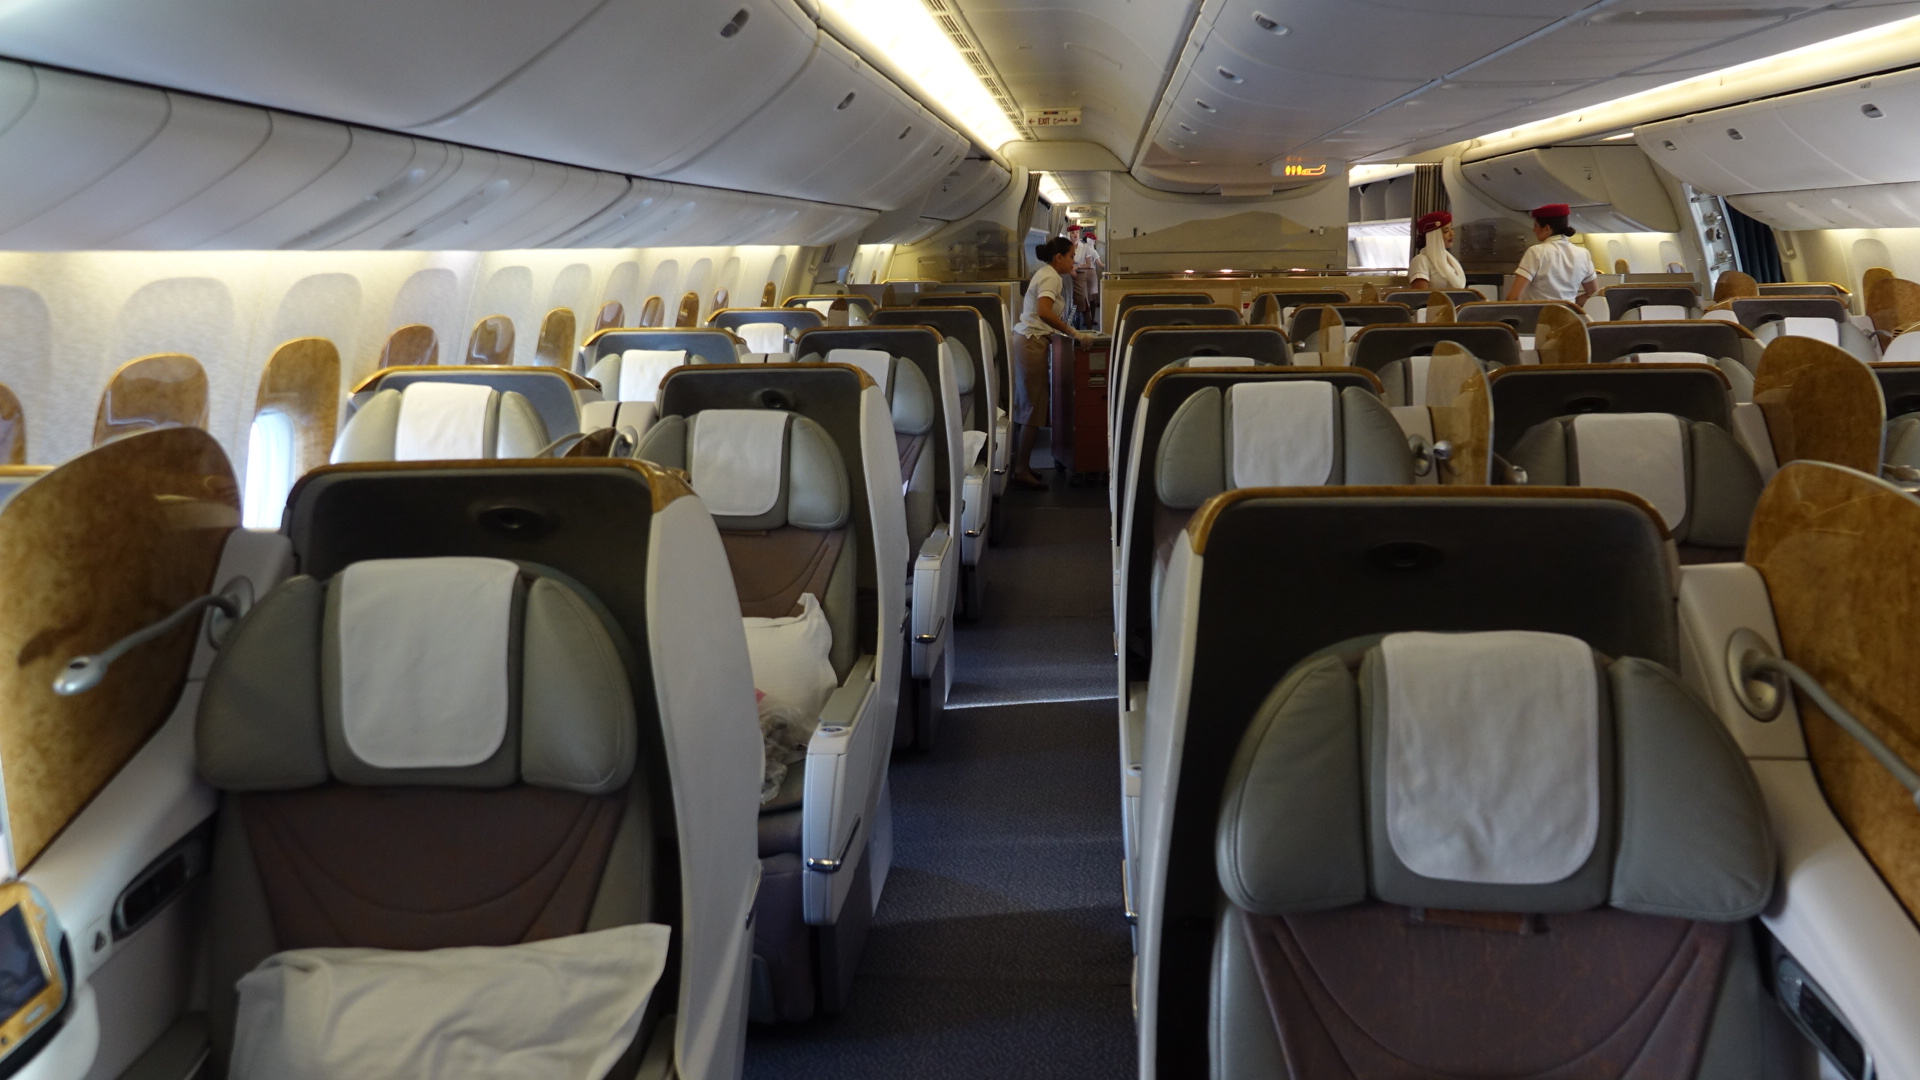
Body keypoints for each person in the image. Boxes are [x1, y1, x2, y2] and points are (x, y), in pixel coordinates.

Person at [1010, 237, 1088, 489]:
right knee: (1033, 405)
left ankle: (1024, 465)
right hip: (1031, 341)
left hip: (1031, 340)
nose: (1073, 260)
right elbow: (1044, 311)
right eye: (1071, 256)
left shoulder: (1048, 273)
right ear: (1059, 258)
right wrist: (1073, 332)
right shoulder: (1051, 277)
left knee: (1033, 403)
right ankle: (1021, 469)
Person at [1506, 202, 1598, 304]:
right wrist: (1569, 304)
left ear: (1547, 229)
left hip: (1539, 318)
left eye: (1536, 225)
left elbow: (1513, 297)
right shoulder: (1583, 254)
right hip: (1569, 318)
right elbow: (1593, 294)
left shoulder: (1536, 252)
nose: (1534, 229)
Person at [1407, 211, 1465, 292]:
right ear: (1433, 236)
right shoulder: (1420, 261)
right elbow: (1420, 299)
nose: (1452, 234)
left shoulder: (1448, 260)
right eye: (1446, 231)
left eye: (1451, 228)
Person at [1073, 230, 1105, 327]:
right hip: (1090, 273)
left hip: (1079, 275)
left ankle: (1085, 320)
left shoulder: (1081, 248)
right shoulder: (1091, 250)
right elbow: (1099, 264)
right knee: (1092, 298)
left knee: (1083, 298)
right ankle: (1092, 319)